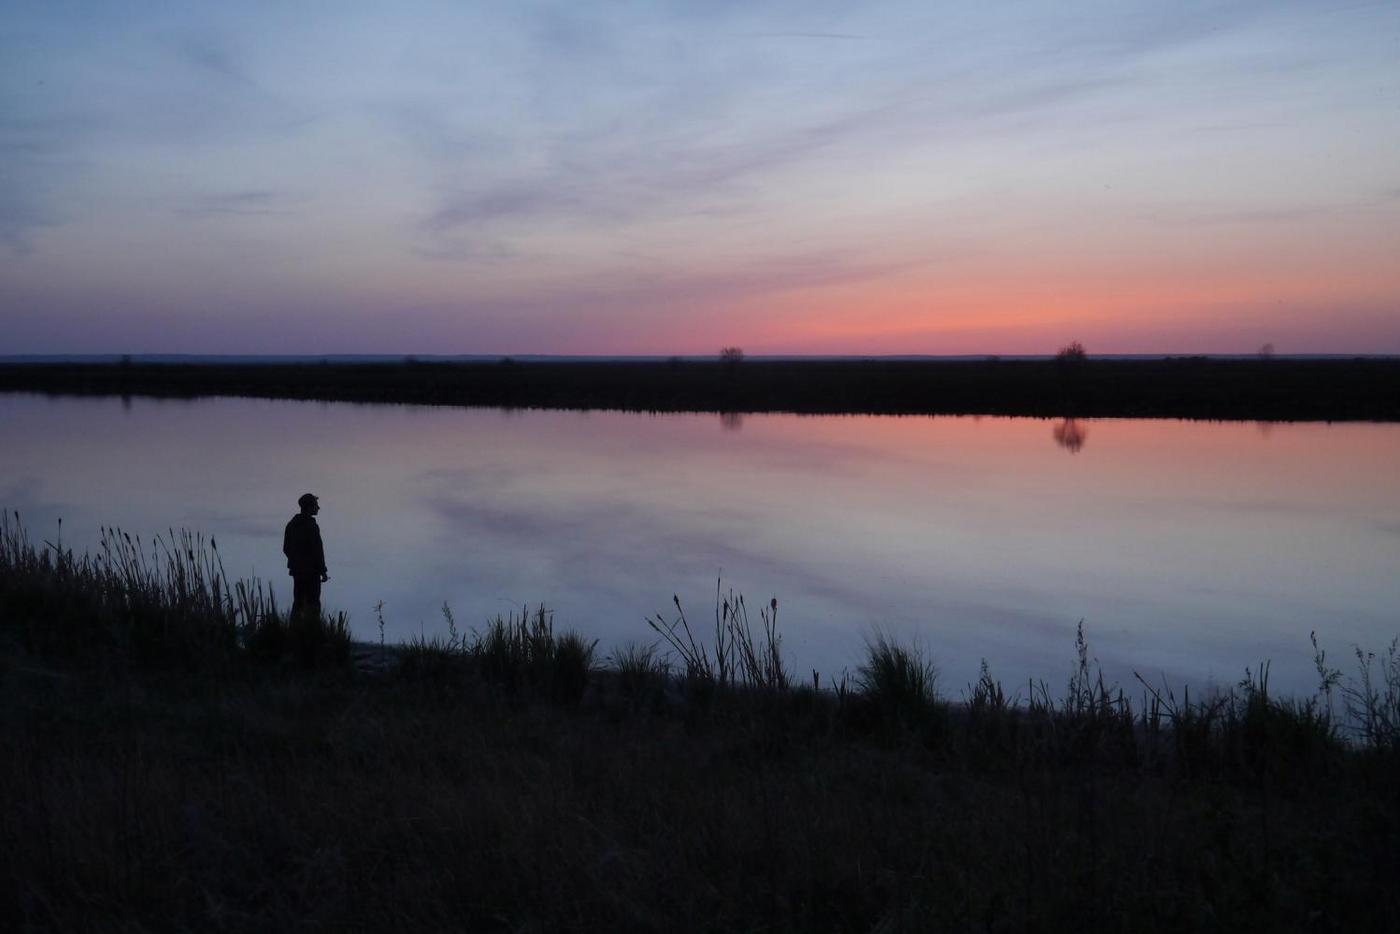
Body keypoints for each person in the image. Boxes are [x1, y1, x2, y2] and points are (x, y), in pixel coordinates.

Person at [283, 493, 328, 620]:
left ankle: (295, 631)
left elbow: (286, 548)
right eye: (316, 505)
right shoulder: (311, 526)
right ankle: (312, 633)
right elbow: (317, 551)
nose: (318, 508)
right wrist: (322, 571)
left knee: (298, 603)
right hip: (311, 573)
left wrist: (295, 562)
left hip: (297, 572)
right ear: (309, 507)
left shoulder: (291, 525)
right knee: (313, 604)